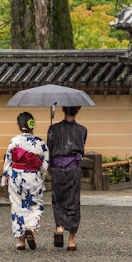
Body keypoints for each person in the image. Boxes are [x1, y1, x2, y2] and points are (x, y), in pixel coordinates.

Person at [1, 112, 49, 250]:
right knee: (35, 206)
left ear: (19, 125)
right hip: (33, 177)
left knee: (17, 207)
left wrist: (5, 177)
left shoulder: (14, 141)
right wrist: (41, 177)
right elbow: (45, 163)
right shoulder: (40, 142)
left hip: (16, 177)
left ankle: (21, 241)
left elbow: (8, 160)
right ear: (33, 125)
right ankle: (31, 229)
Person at [47, 105, 87, 251]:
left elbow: (49, 149)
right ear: (77, 110)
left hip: (58, 168)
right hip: (74, 169)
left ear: (63, 110)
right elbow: (81, 149)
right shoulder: (82, 130)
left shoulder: (53, 129)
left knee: (58, 200)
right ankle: (71, 240)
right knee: (73, 201)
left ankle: (59, 228)